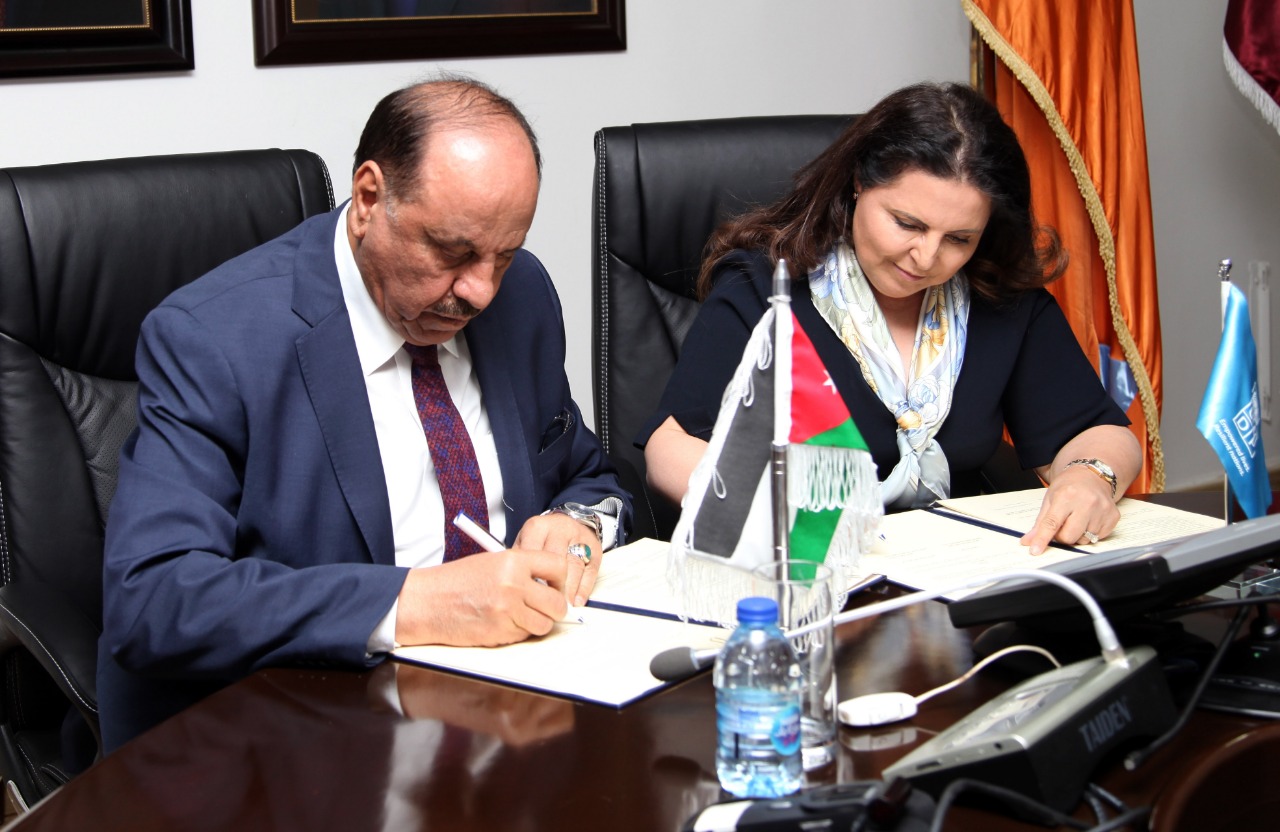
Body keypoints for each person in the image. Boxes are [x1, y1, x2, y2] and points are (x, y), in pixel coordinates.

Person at [98, 75, 630, 750]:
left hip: (511, 714)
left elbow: (589, 476)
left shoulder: (521, 298)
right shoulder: (214, 340)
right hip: (298, 735)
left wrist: (577, 527)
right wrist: (416, 603)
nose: (480, 291)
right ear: (370, 200)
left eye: (504, 255)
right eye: (454, 251)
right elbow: (155, 598)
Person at [640, 81, 1140, 556]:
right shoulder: (764, 289)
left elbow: (1100, 432)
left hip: (961, 567)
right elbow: (670, 448)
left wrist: (1090, 477)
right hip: (807, 566)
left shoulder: (999, 299)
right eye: (907, 224)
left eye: (959, 238)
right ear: (859, 182)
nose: (926, 257)